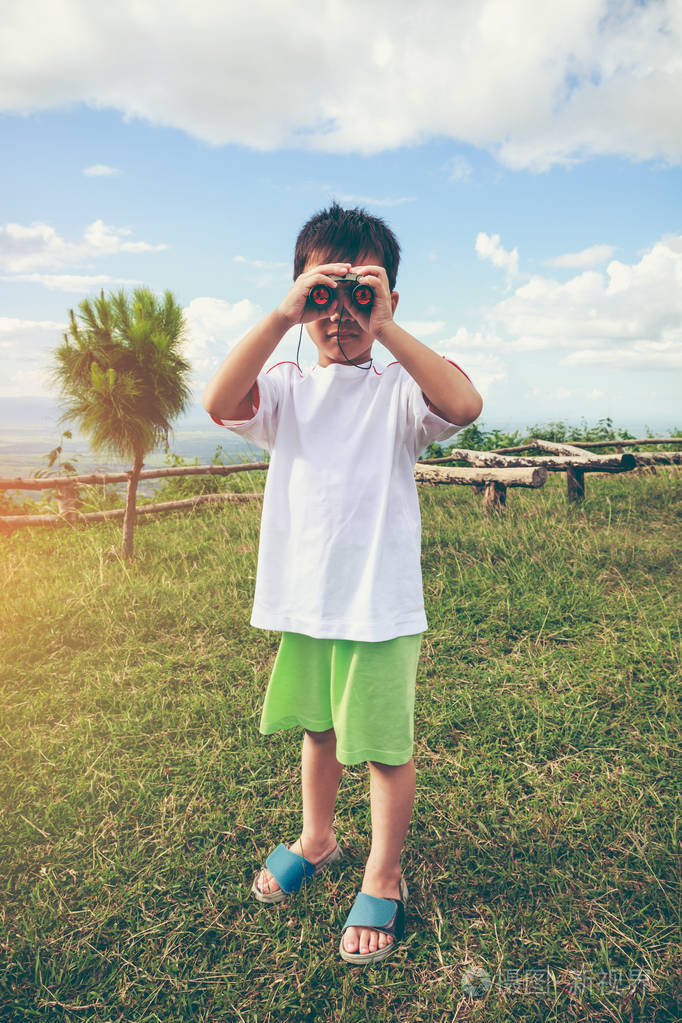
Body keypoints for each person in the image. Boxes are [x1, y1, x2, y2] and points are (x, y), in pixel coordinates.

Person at [203, 203, 483, 965]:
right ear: (301, 296)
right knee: (319, 730)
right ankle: (317, 836)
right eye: (325, 295)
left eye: (364, 294)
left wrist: (384, 324)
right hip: (308, 600)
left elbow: (464, 404)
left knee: (384, 745)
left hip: (382, 606)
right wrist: (281, 314)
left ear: (390, 299)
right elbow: (220, 401)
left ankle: (383, 874)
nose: (342, 314)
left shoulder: (399, 390)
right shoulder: (288, 385)